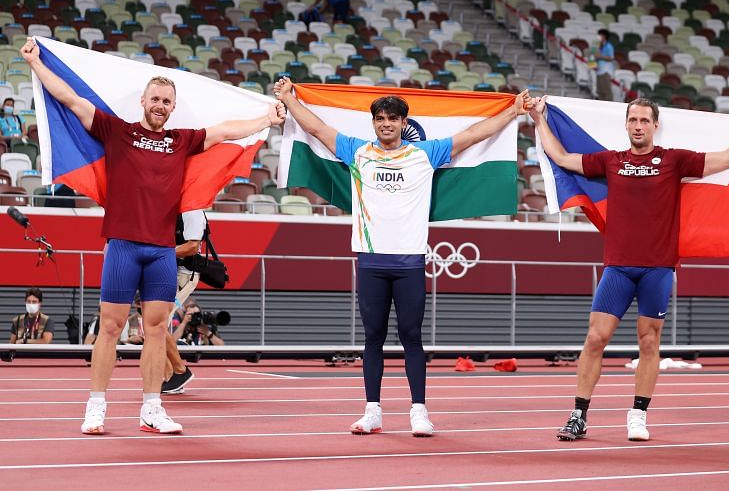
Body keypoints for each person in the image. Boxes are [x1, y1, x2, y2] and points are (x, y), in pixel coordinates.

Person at [20, 36, 285, 435]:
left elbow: (226, 130)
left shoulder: (182, 141)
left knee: (157, 331)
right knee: (110, 328)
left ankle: (151, 408)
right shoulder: (116, 131)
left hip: (162, 251)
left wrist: (266, 119)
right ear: (143, 101)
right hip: (123, 247)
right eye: (155, 99)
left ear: (172, 107)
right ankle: (96, 406)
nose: (160, 106)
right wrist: (36, 64)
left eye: (166, 101)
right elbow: (72, 100)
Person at [274, 76, 532, 436]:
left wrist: (513, 112)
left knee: (412, 336)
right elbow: (316, 128)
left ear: (403, 124)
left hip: (409, 261)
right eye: (380, 118)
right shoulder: (357, 152)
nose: (386, 124)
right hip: (371, 260)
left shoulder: (425, 153)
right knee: (372, 338)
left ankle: (418, 411)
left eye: (392, 119)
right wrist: (289, 98)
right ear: (374, 123)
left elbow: (473, 135)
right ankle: (372, 410)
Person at [529, 96, 729, 442]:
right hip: (618, 267)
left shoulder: (674, 159)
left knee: (649, 341)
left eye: (645, 120)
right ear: (626, 124)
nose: (638, 126)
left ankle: (638, 414)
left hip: (658, 268)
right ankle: (578, 415)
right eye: (633, 120)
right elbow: (561, 157)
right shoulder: (611, 160)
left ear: (654, 125)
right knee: (595, 338)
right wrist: (538, 118)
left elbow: (728, 159)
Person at [160, 210, 206, 395]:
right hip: (172, 270)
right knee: (153, 325)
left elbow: (192, 247)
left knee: (156, 324)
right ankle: (171, 375)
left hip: (184, 275)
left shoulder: (192, 210)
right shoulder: (179, 208)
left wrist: (158, 253)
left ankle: (179, 371)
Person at [593, 29, 615, 101]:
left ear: (604, 36)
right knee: (600, 91)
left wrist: (600, 56)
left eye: (600, 35)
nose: (598, 37)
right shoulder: (598, 46)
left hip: (606, 71)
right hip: (599, 71)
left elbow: (611, 58)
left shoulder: (609, 46)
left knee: (607, 91)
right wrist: (593, 65)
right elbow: (594, 57)